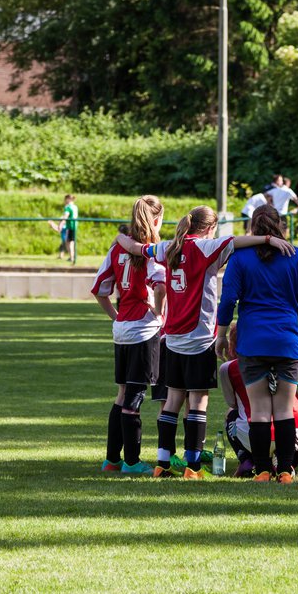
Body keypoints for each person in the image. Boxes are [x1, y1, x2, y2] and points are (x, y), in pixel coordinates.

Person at [114, 205, 294, 478]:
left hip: (172, 337)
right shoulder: (205, 247)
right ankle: (192, 466)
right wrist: (268, 239)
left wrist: (121, 240)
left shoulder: (169, 248)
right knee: (198, 401)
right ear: (210, 228)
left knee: (173, 398)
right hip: (199, 338)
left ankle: (162, 463)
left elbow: (141, 249)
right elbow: (236, 242)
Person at [215, 205, 298, 482]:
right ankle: (285, 469)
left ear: (253, 229)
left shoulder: (240, 258)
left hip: (252, 340)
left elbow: (227, 301)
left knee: (259, 409)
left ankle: (261, 470)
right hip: (287, 339)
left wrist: (222, 334)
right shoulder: (295, 256)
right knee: (283, 407)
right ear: (280, 226)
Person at [93, 196, 166, 475]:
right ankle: (132, 462)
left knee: (122, 392)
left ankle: (112, 459)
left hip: (122, 330)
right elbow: (160, 286)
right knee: (135, 394)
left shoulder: (116, 249)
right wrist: (159, 314)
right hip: (143, 330)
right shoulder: (151, 252)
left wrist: (116, 316)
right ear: (157, 219)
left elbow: (100, 288)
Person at [219, 323, 298, 477]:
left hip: (258, 427)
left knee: (231, 414)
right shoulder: (286, 360)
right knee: (280, 447)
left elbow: (232, 403)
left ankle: (246, 460)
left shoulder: (228, 368)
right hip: (294, 427)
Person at [59, 194, 79, 264]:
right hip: (74, 226)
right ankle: (72, 256)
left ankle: (72, 257)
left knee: (69, 242)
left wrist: (61, 224)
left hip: (70, 226)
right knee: (71, 242)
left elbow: (65, 216)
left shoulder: (68, 207)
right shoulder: (75, 207)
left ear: (68, 199)